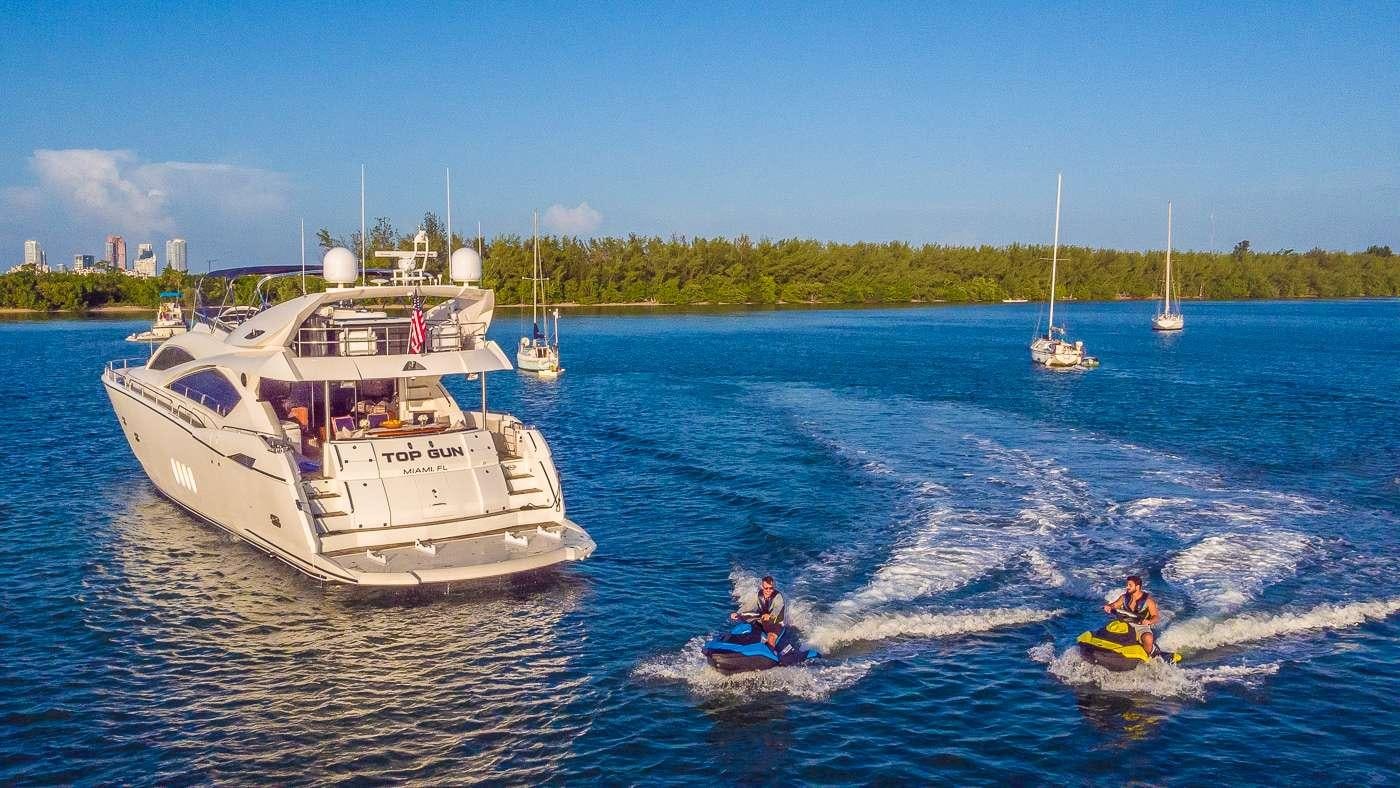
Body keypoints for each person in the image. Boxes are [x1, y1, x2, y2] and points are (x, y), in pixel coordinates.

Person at [1103, 574, 1161, 658]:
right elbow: (1115, 605)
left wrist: (1149, 621)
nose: (1127, 587)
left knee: (1148, 638)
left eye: (1130, 585)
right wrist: (1109, 606)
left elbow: (1156, 617)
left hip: (1141, 626)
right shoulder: (1124, 597)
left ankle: (1150, 655)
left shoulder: (1149, 601)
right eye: (1127, 585)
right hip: (1124, 623)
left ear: (1137, 587)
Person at [731, 575, 786, 650]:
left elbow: (778, 609)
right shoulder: (758, 595)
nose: (768, 590)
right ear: (762, 587)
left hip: (775, 622)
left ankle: (769, 655)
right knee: (746, 628)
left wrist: (770, 615)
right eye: (766, 588)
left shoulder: (778, 597)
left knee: (771, 638)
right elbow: (749, 606)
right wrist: (738, 613)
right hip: (761, 620)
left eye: (771, 588)